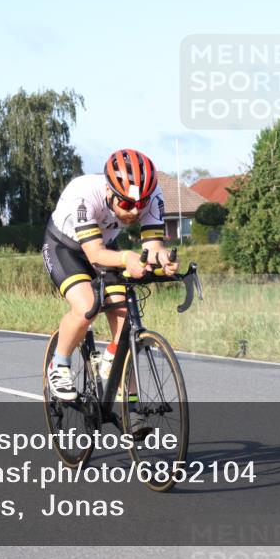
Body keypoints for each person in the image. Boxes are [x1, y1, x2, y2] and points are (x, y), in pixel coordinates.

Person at [42, 149, 178, 416]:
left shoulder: (152, 197)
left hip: (105, 245)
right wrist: (127, 258)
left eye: (141, 204)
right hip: (65, 248)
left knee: (123, 316)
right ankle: (58, 365)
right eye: (127, 204)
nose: (135, 211)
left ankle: (130, 406)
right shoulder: (83, 196)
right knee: (86, 307)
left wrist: (163, 260)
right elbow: (94, 255)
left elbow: (153, 245)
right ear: (109, 191)